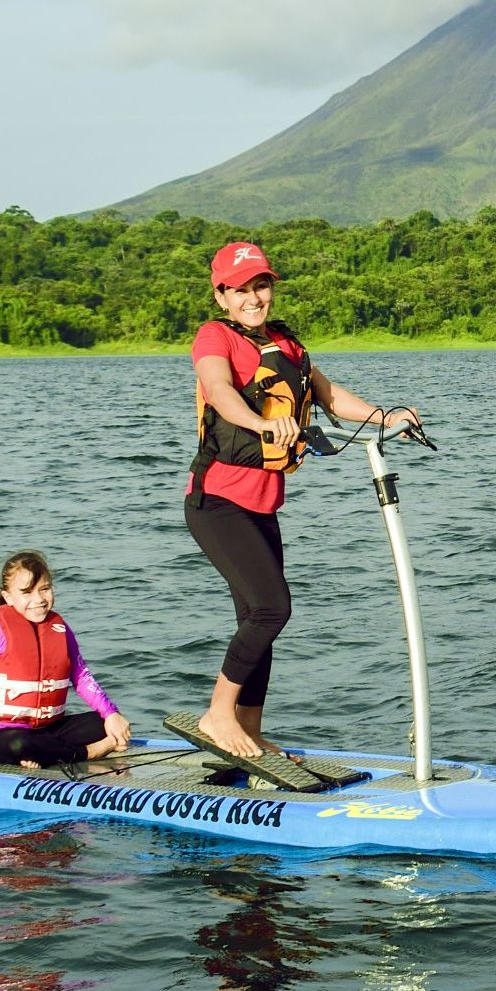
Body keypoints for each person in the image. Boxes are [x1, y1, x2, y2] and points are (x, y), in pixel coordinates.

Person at [183, 241, 420, 761]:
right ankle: (218, 714)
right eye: (240, 290)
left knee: (256, 618)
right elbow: (219, 390)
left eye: (261, 286)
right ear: (221, 296)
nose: (253, 298)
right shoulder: (214, 337)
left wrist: (386, 417)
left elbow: (330, 397)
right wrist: (261, 422)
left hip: (262, 505)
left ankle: (249, 731)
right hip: (216, 502)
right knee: (272, 608)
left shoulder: (285, 344)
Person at [0, 550, 134, 767]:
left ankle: (44, 753)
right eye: (26, 592)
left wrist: (110, 714)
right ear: (8, 597)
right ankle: (88, 752)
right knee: (19, 744)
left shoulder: (60, 630)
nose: (39, 599)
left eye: (44, 589)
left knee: (104, 723)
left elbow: (81, 676)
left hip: (49, 729)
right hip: (4, 734)